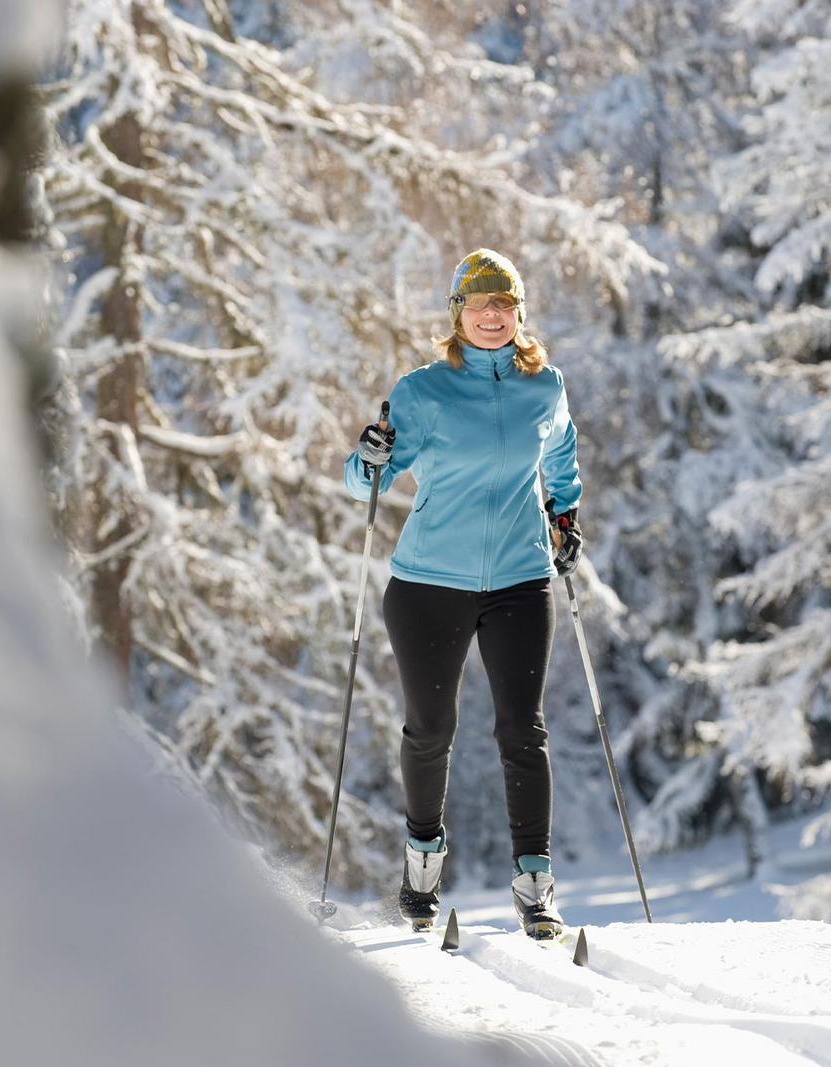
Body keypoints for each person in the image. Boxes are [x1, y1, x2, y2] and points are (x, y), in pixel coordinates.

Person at [343, 249, 584, 940]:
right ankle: (422, 866)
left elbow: (562, 453)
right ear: (457, 314)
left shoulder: (545, 388)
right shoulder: (423, 390)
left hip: (518, 578)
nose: (490, 316)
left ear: (519, 313)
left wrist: (565, 514)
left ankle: (535, 887)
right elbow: (366, 483)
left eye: (503, 304)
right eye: (478, 305)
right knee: (431, 727)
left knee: (522, 729)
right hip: (428, 584)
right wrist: (370, 457)